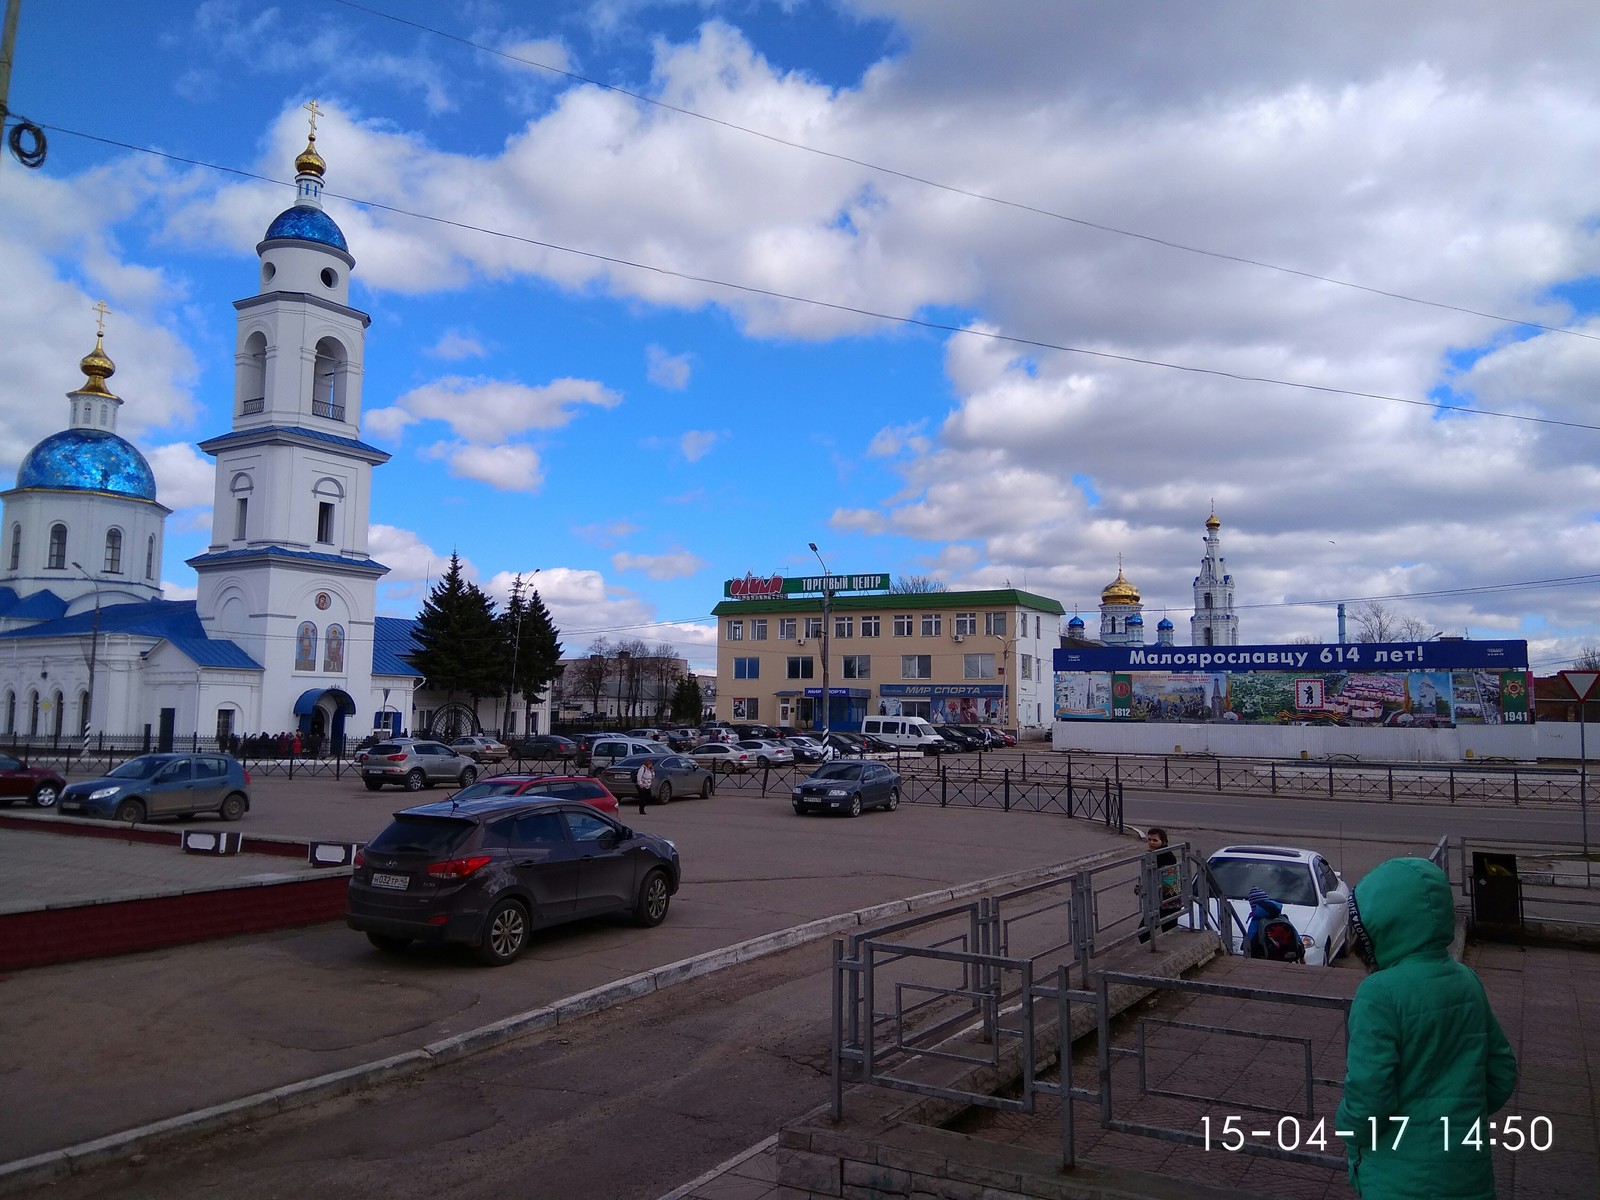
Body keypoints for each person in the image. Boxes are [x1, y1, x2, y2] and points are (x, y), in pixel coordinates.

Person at [1337, 857, 1517, 1198]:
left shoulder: (1378, 993)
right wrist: (1459, 1114)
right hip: (1469, 1175)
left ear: (1380, 927)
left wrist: (1348, 1128)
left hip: (1399, 1180)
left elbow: (1368, 1099)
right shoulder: (1466, 980)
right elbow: (1503, 1072)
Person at [1135, 828, 1181, 943]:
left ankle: (1153, 953)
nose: (1151, 843)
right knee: (1168, 932)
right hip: (1168, 900)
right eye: (1149, 840)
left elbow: (1156, 879)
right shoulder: (1161, 853)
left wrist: (1143, 888)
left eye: (1155, 840)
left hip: (1165, 901)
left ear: (1164, 842)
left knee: (1144, 932)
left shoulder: (1160, 855)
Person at [1242, 886, 1304, 962]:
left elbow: (1250, 939)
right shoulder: (1282, 918)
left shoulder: (1256, 921)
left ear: (1253, 905)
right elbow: (1296, 935)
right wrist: (1302, 954)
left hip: (1266, 957)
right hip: (1287, 955)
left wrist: (1244, 948)